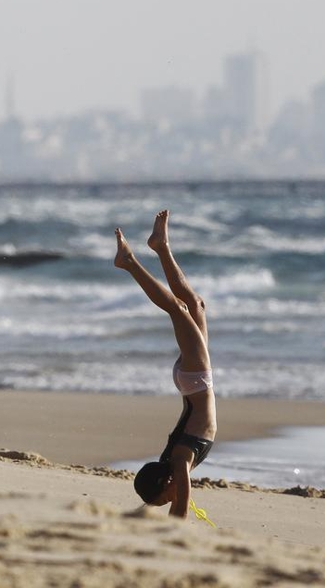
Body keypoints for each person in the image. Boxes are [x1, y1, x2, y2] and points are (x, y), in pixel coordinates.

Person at [114, 210, 216, 518]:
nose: (170, 501)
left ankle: (129, 263)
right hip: (192, 382)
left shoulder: (180, 462)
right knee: (193, 305)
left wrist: (170, 528)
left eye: (164, 499)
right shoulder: (175, 463)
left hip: (197, 380)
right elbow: (174, 497)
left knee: (177, 309)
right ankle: (161, 246)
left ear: (167, 483)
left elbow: (181, 510)